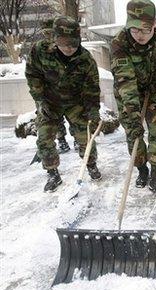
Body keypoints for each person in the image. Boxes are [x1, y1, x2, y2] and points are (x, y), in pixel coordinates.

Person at [26, 16, 102, 192]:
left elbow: (92, 88)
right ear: (55, 38)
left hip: (76, 102)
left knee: (86, 135)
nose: (68, 48)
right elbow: (32, 74)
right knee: (44, 137)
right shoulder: (40, 50)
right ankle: (52, 173)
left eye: (73, 44)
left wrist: (93, 112)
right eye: (63, 43)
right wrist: (39, 99)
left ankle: (90, 164)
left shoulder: (85, 59)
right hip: (50, 102)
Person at [111, 0, 156, 196]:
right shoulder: (119, 42)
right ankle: (142, 170)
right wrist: (132, 111)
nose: (139, 35)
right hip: (128, 94)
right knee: (134, 134)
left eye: (145, 30)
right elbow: (125, 80)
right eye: (134, 30)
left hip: (153, 90)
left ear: (155, 23)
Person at [40, 18, 72, 153]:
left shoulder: (65, 47)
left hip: (68, 91)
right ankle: (62, 141)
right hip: (50, 93)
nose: (48, 36)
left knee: (74, 117)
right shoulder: (40, 50)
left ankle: (77, 140)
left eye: (50, 33)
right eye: (45, 33)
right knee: (56, 119)